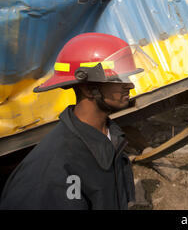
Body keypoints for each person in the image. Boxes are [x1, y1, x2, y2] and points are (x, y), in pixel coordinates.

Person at [0, 32, 142, 209]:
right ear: (89, 90)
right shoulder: (55, 168)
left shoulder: (110, 135)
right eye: (119, 78)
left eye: (127, 77)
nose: (130, 85)